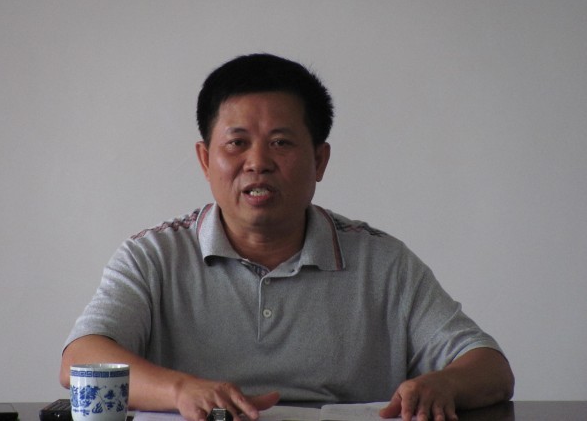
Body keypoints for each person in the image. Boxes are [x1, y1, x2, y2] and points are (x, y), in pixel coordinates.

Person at [60, 53, 514, 421]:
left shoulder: (383, 263)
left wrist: (443, 384)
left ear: (319, 160)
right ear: (205, 160)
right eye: (237, 143)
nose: (258, 162)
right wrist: (181, 390)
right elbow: (79, 358)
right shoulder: (153, 256)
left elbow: (490, 367)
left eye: (281, 142)